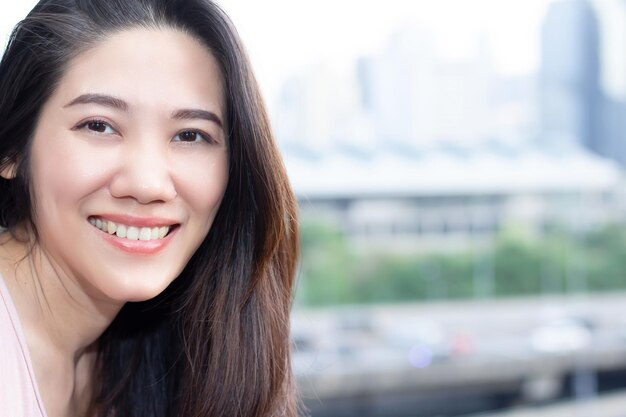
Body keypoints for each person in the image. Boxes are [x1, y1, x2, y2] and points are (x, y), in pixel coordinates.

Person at [0, 0, 300, 416]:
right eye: (99, 125)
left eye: (191, 135)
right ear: (12, 148)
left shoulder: (164, 355)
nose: (147, 185)